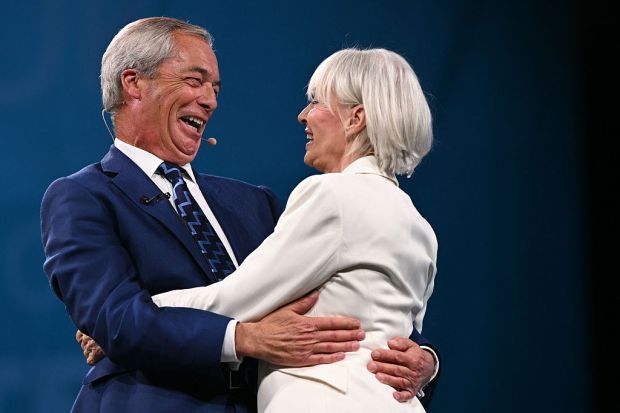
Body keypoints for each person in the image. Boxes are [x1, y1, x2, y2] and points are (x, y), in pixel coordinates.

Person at [40, 17, 437, 413]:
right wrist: (242, 338)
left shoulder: (256, 203)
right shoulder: (83, 197)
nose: (210, 101)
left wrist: (423, 360)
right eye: (195, 81)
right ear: (134, 83)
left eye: (214, 89)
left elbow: (352, 292)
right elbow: (116, 320)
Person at [150, 47, 438, 412]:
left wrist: (140, 314)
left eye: (316, 101)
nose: (303, 115)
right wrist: (429, 360)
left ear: (356, 118)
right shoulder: (418, 225)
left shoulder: (332, 195)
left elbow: (236, 300)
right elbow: (407, 338)